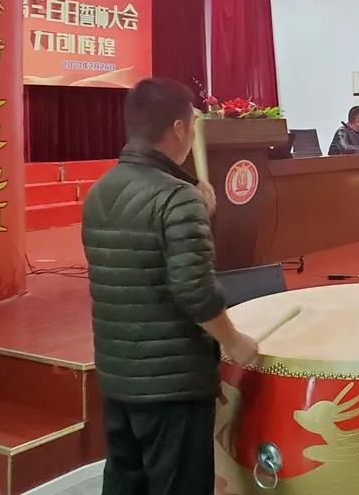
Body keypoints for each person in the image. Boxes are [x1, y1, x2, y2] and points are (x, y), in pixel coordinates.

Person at [81, 78, 259, 495]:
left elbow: (140, 273)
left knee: (125, 483)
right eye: (193, 125)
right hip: (172, 384)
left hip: (118, 375)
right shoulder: (176, 199)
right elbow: (193, 291)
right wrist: (234, 342)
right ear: (179, 129)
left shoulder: (100, 192)